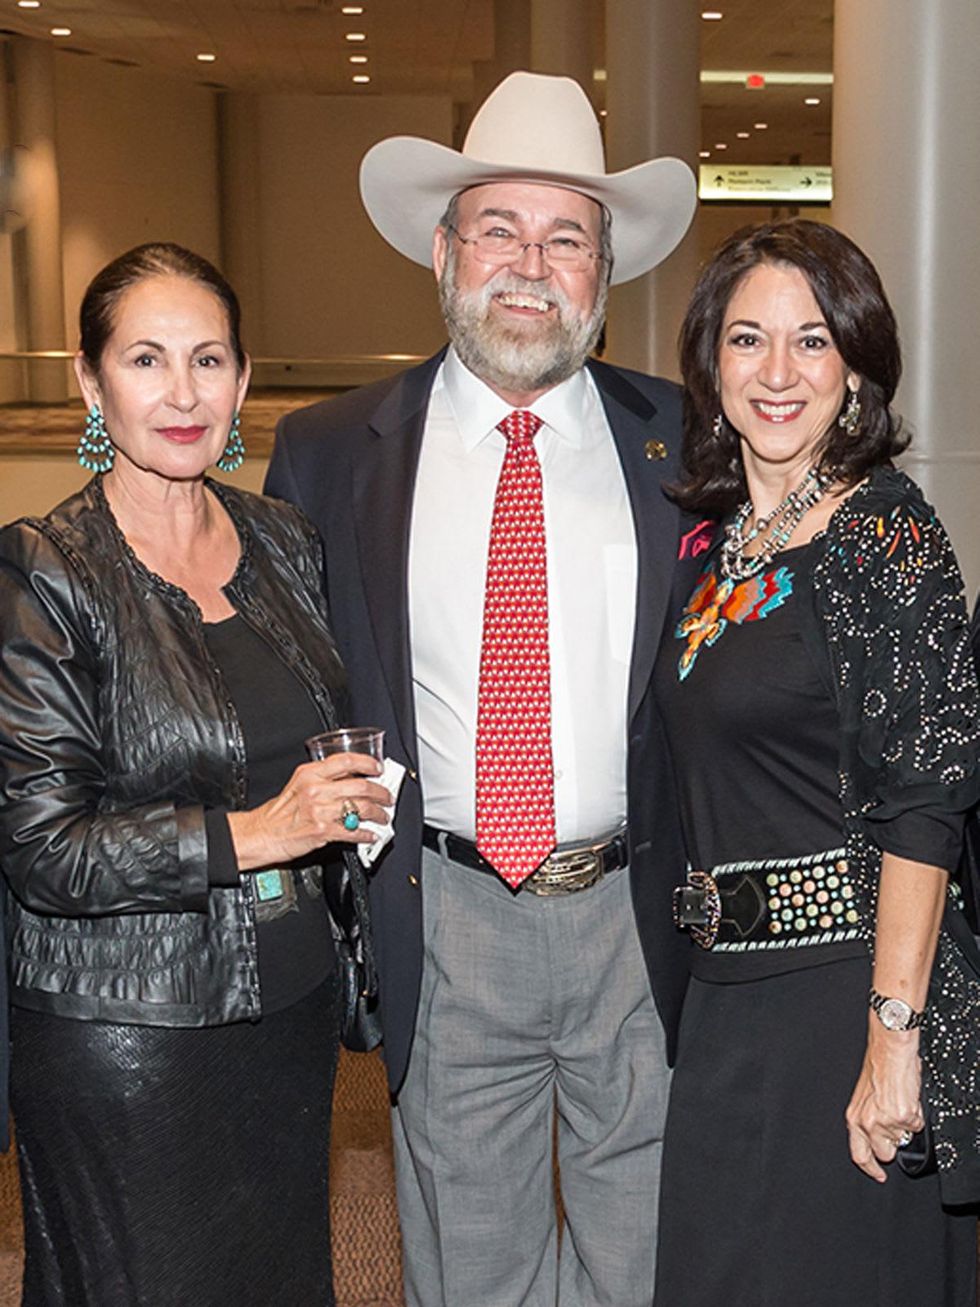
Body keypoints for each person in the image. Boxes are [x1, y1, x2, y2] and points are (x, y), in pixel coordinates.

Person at [265, 71, 699, 1307]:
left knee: (650, 1264)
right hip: (442, 914)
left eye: (564, 237)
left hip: (637, 915)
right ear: (442, 253)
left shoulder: (689, 443)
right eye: (497, 228)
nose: (528, 264)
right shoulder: (329, 452)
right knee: (470, 1272)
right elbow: (282, 680)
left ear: (602, 274)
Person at [0, 242, 392, 1306]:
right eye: (146, 360)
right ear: (91, 382)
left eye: (208, 360)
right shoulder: (44, 570)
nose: (182, 394)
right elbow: (42, 847)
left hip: (289, 1010)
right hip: (128, 1034)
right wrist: (260, 831)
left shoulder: (284, 540)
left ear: (244, 379)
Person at [652, 218, 980, 1307]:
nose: (777, 371)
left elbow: (927, 799)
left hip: (843, 999)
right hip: (724, 1001)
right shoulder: (716, 551)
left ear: (855, 369)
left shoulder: (886, 534)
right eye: (747, 339)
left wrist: (893, 1037)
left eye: (812, 340)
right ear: (710, 365)